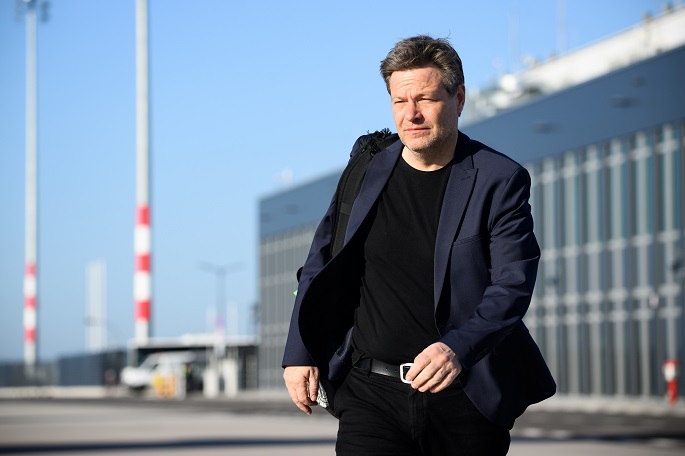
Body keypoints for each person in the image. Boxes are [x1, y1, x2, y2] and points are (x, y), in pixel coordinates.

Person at [282, 35, 555, 455]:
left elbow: (512, 285)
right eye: (399, 101)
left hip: (463, 396)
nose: (411, 114)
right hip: (371, 393)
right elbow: (320, 263)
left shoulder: (498, 179)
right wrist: (299, 352)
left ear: (458, 99)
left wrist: (456, 349)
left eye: (425, 99)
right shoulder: (364, 171)